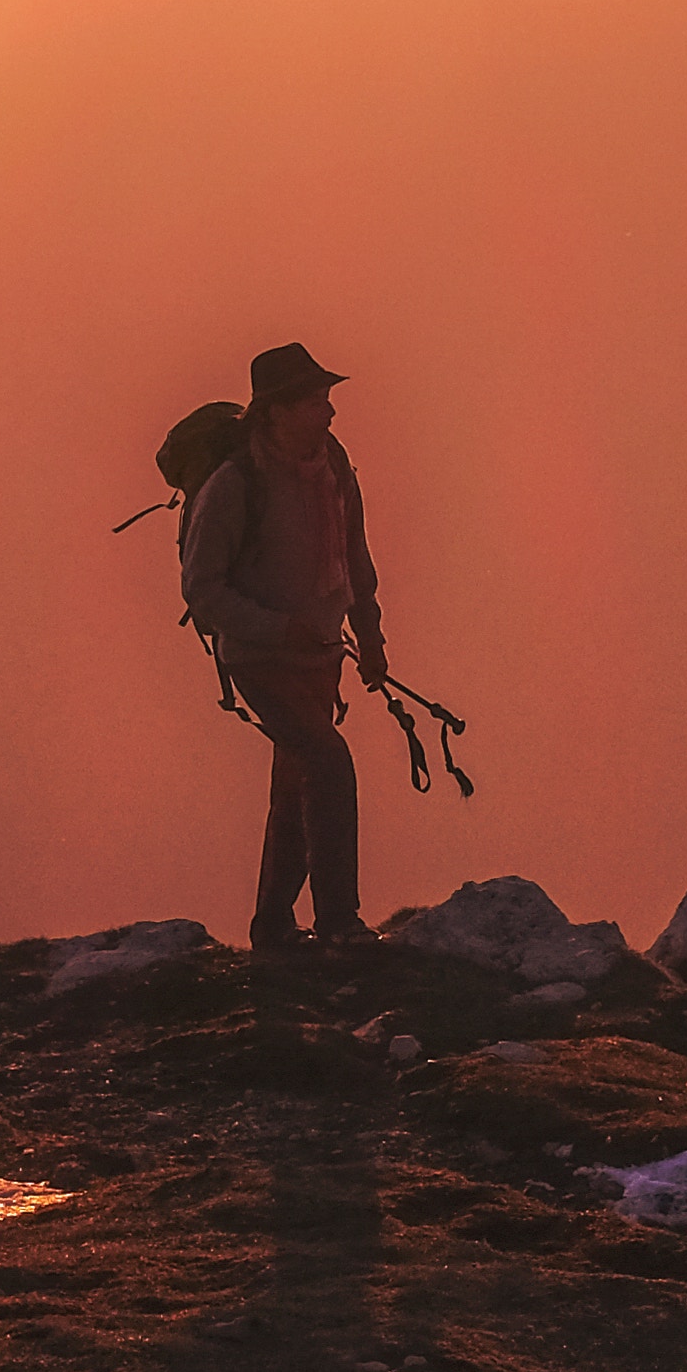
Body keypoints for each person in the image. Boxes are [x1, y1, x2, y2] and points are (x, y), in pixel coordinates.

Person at [179, 340, 392, 955]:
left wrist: (371, 637)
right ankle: (339, 922)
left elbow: (354, 556)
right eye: (316, 401)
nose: (329, 414)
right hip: (259, 659)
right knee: (327, 762)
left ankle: (272, 929)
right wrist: (277, 628)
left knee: (296, 785)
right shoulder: (234, 483)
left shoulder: (334, 467)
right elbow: (202, 588)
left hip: (322, 657)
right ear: (275, 411)